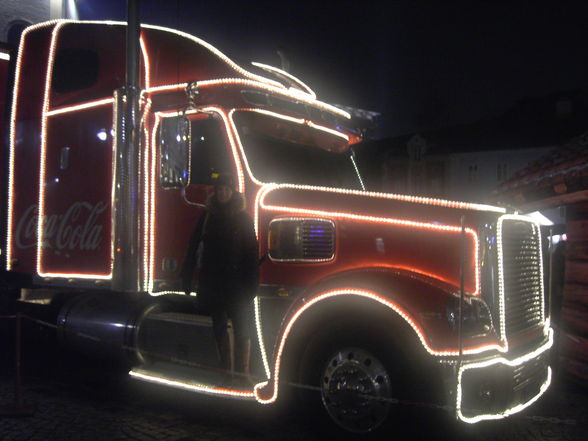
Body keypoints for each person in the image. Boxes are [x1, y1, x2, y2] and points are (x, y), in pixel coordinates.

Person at [181, 174, 259, 387]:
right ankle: (227, 373)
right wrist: (186, 276)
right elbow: (193, 245)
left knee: (243, 326)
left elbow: (251, 251)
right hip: (214, 280)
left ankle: (243, 374)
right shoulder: (207, 216)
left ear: (233, 191)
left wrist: (253, 283)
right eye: (220, 189)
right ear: (215, 192)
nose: (223, 193)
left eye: (227, 189)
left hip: (237, 282)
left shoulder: (243, 217)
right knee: (220, 326)